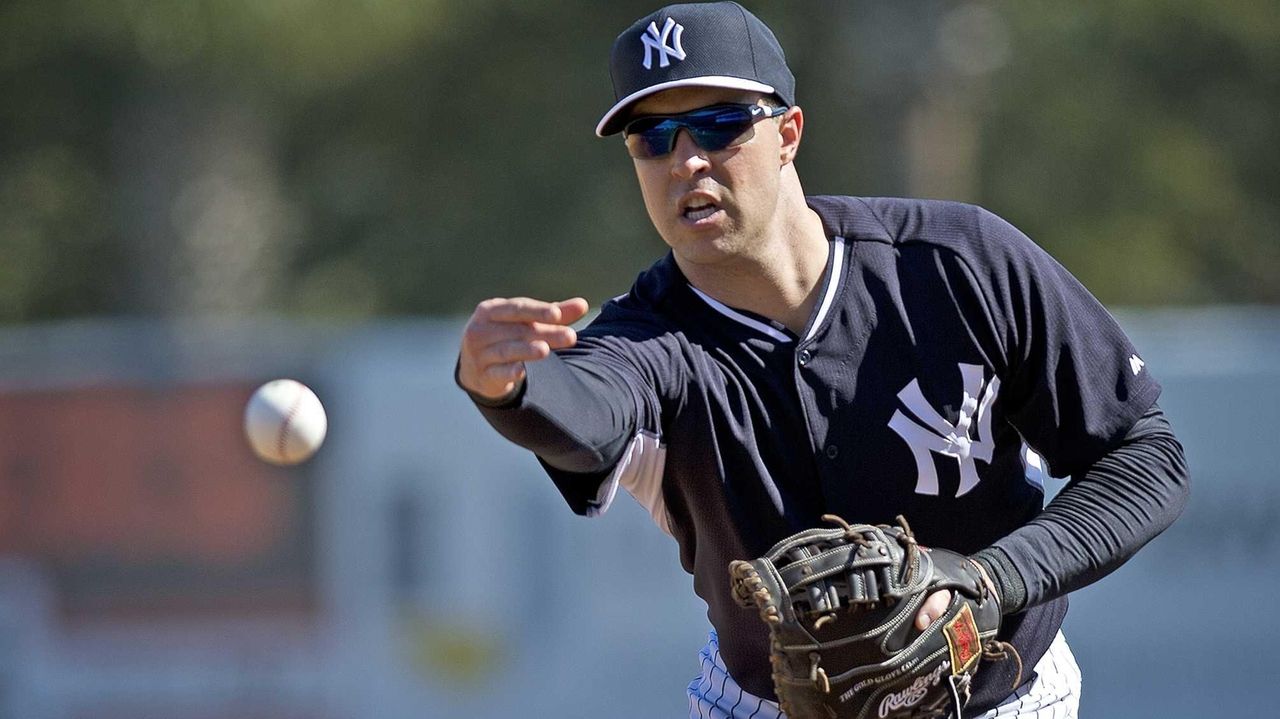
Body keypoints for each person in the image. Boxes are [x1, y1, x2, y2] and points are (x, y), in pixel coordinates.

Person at [455, 2, 1189, 717]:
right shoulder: (649, 341)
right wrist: (508, 386)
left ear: (788, 133)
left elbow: (1144, 453)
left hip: (1002, 692)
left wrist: (991, 577)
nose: (687, 159)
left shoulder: (958, 262)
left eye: (719, 124)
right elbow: (585, 404)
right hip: (770, 704)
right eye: (653, 137)